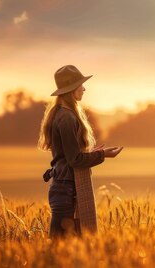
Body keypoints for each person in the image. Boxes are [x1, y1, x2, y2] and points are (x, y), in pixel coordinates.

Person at [38, 65, 123, 237]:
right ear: (71, 89)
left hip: (63, 187)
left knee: (65, 249)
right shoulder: (67, 118)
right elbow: (74, 160)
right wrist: (102, 154)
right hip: (66, 190)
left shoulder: (61, 114)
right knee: (61, 249)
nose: (84, 88)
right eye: (80, 85)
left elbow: (69, 155)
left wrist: (92, 153)